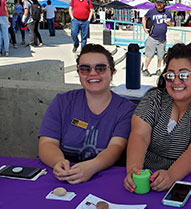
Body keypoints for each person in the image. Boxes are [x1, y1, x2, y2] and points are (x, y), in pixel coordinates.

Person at [124, 43, 191, 192]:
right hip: (151, 180)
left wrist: (172, 175)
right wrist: (134, 171)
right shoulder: (154, 99)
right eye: (170, 75)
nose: (176, 81)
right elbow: (140, 135)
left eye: (184, 75)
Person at [38, 44, 136, 184]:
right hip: (62, 177)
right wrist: (58, 162)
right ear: (78, 73)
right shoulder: (62, 102)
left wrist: (92, 166)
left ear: (112, 72)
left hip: (103, 178)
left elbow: (116, 147)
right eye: (85, 69)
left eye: (100, 68)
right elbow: (47, 143)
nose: (93, 73)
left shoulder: (126, 109)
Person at [141, 0, 173, 77]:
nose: (159, 4)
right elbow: (144, 18)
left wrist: (169, 23)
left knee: (160, 55)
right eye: (157, 2)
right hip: (152, 37)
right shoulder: (151, 11)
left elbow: (172, 23)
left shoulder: (167, 13)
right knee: (149, 55)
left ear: (164, 4)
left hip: (162, 39)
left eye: (160, 3)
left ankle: (158, 69)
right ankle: (145, 68)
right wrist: (144, 28)